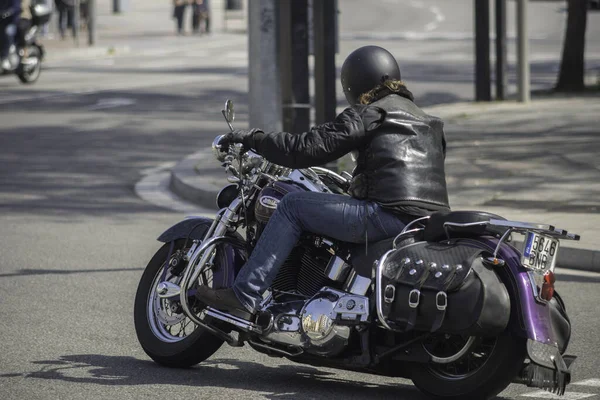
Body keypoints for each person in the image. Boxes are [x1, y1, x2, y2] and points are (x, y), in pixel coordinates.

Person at [196, 45, 451, 319]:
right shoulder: (428, 121)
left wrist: (254, 139)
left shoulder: (369, 113)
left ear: (354, 84)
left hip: (385, 213)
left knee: (293, 205)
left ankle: (244, 295)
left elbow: (305, 149)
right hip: (427, 221)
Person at [0, 0, 20, 71]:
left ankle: (4, 57)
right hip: (1, 22)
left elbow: (16, 7)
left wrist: (8, 12)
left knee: (7, 33)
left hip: (12, 22)